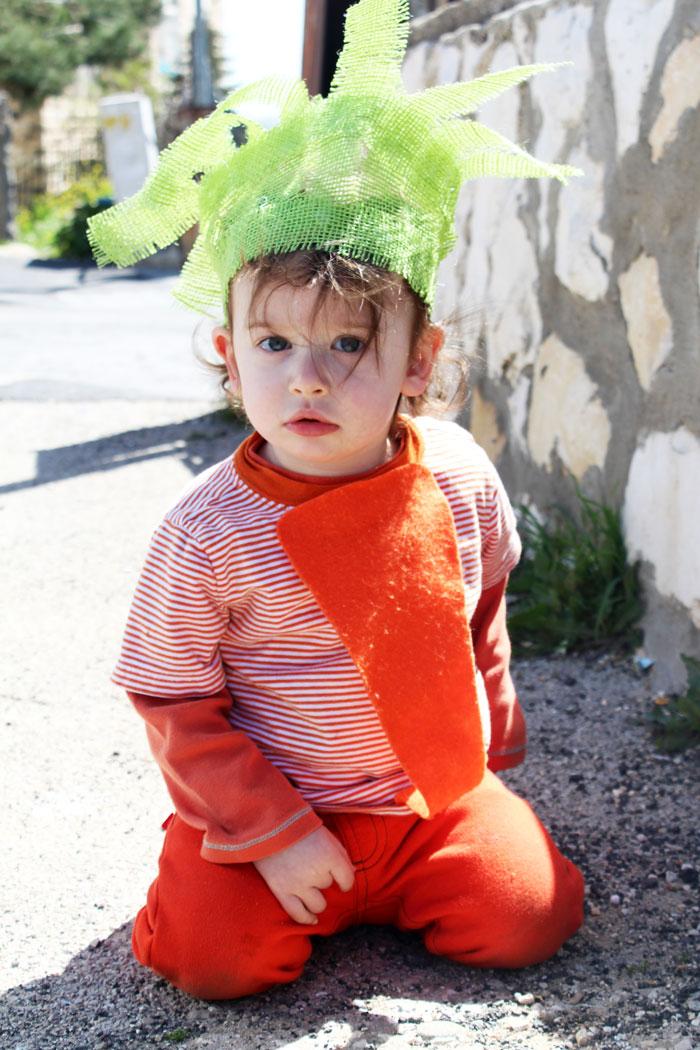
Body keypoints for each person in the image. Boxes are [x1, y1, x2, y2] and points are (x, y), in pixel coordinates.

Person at [89, 0, 584, 1001]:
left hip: (423, 799)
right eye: (274, 344)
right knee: (214, 965)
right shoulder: (207, 533)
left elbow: (476, 609)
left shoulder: (456, 476)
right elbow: (174, 698)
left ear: (418, 361)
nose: (307, 379)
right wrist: (269, 833)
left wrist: (489, 747)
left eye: (347, 344)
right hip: (270, 812)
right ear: (230, 359)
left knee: (530, 917)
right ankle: (186, 902)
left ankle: (414, 881)